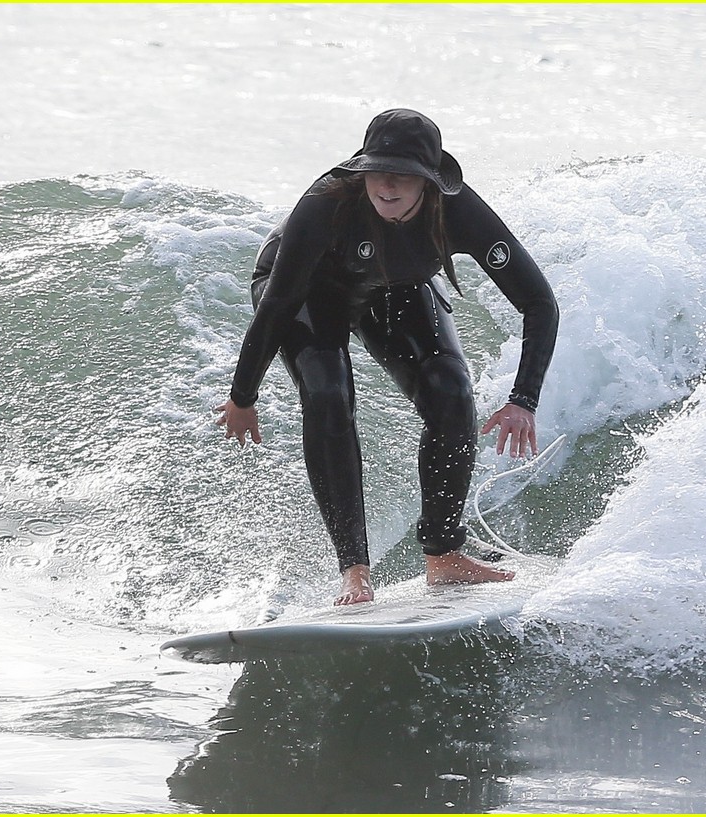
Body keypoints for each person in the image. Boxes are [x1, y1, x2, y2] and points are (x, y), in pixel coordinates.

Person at [216, 108, 558, 605]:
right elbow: (278, 306)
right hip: (305, 289)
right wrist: (241, 397)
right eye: (378, 170)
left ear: (430, 181)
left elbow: (539, 302)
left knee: (451, 392)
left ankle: (444, 556)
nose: (388, 185)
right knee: (328, 395)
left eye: (404, 175)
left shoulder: (459, 212)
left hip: (392, 286)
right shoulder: (325, 206)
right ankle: (354, 570)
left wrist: (523, 398)